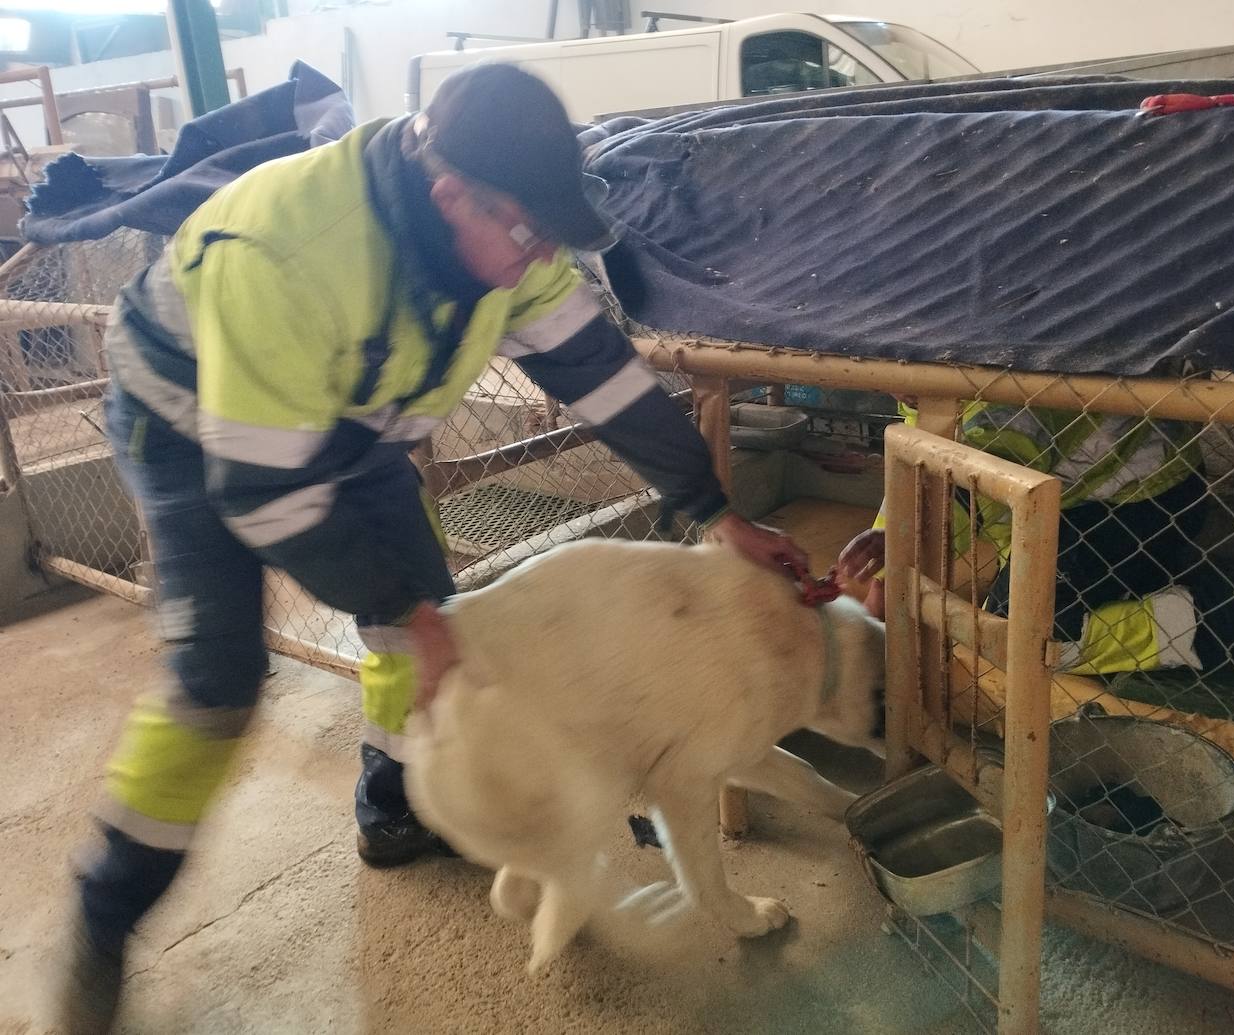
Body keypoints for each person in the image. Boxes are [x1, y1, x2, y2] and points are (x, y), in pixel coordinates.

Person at [59, 64, 806, 1033]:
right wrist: (401, 606)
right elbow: (266, 490)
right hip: (193, 421)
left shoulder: (505, 239)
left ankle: (397, 801)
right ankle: (103, 913)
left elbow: (597, 372)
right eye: (525, 233)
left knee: (432, 633)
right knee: (220, 680)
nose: (536, 260)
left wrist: (716, 510)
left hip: (351, 424)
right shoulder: (291, 253)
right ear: (450, 188)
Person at [839, 399, 1208, 674]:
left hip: (1142, 500)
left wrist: (889, 583)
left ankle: (1188, 623)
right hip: (1072, 492)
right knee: (1013, 596)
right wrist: (884, 584)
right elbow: (926, 482)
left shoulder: (996, 404)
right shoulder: (930, 388)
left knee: (1013, 638)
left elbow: (961, 489)